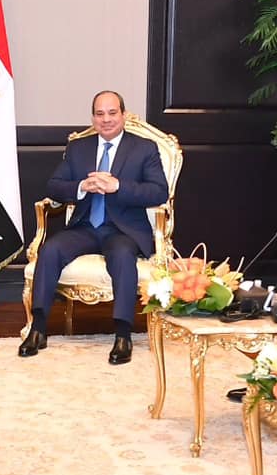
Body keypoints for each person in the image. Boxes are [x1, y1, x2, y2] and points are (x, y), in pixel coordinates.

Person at [20, 90, 170, 364]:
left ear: (123, 115)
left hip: (122, 230)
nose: (106, 119)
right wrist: (80, 187)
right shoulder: (79, 148)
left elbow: (159, 192)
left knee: (123, 256)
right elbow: (53, 185)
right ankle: (38, 328)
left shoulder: (144, 148)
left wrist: (118, 186)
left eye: (112, 113)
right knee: (50, 249)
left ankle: (123, 335)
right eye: (100, 114)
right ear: (93, 117)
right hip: (86, 226)